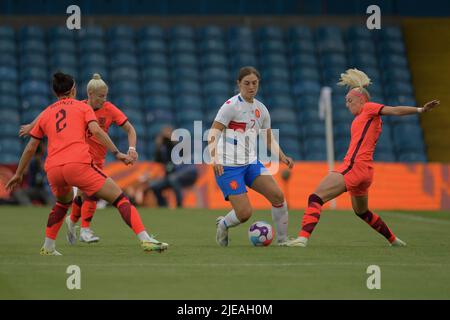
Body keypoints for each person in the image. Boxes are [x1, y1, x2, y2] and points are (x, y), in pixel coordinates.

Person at [6, 72, 168, 255]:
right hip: (78, 164)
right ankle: (145, 239)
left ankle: (49, 246)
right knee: (120, 198)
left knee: (62, 203)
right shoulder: (82, 108)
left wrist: (19, 174)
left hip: (53, 169)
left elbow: (30, 148)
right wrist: (117, 153)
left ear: (54, 92)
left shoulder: (48, 112)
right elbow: (96, 131)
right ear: (74, 90)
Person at [283, 68, 440, 247]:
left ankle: (302, 238)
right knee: (362, 211)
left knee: (315, 197)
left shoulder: (368, 108)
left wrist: (421, 109)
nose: (347, 105)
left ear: (361, 99)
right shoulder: (363, 117)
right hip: (365, 171)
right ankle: (394, 241)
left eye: (349, 101)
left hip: (354, 166)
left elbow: (395, 110)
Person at [20, 73, 139, 244]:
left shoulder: (110, 109)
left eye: (105, 96)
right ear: (90, 94)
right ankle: (85, 230)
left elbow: (130, 129)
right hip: (80, 158)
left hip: (98, 158)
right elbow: (50, 111)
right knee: (91, 193)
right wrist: (32, 126)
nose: (104, 100)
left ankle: (72, 222)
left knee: (82, 196)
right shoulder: (79, 107)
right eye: (100, 96)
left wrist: (132, 149)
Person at [208, 66, 294, 247]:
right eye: (246, 83)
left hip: (250, 163)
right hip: (227, 165)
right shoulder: (230, 106)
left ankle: (282, 241)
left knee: (278, 196)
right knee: (245, 213)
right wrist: (214, 158)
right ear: (239, 84)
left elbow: (269, 139)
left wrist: (283, 156)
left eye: (254, 83)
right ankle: (223, 224)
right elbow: (213, 133)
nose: (251, 87)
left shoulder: (261, 110)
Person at [146, 125, 198, 208]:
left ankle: (179, 205)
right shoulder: (163, 149)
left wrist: (172, 141)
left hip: (188, 173)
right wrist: (159, 145)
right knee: (154, 186)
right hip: (172, 176)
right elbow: (158, 160)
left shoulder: (179, 145)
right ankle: (163, 207)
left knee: (173, 179)